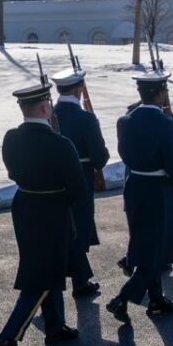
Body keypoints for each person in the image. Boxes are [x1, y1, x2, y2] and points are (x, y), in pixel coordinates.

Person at [0, 83, 83, 346]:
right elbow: (78, 187)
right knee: (43, 275)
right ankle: (8, 336)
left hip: (25, 205)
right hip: (51, 210)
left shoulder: (11, 138)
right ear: (45, 107)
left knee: (45, 267)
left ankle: (55, 326)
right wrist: (60, 198)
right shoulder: (60, 143)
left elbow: (12, 170)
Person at [106, 71, 173, 324]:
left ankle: (156, 298)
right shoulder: (166, 124)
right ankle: (121, 298)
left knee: (146, 242)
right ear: (160, 93)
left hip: (135, 185)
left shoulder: (125, 120)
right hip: (157, 187)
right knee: (156, 248)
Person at [52, 68, 110, 297]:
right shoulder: (84, 117)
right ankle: (79, 280)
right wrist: (98, 163)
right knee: (80, 225)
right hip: (80, 175)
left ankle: (81, 278)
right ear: (79, 89)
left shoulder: (50, 113)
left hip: (55, 180)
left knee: (68, 225)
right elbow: (98, 154)